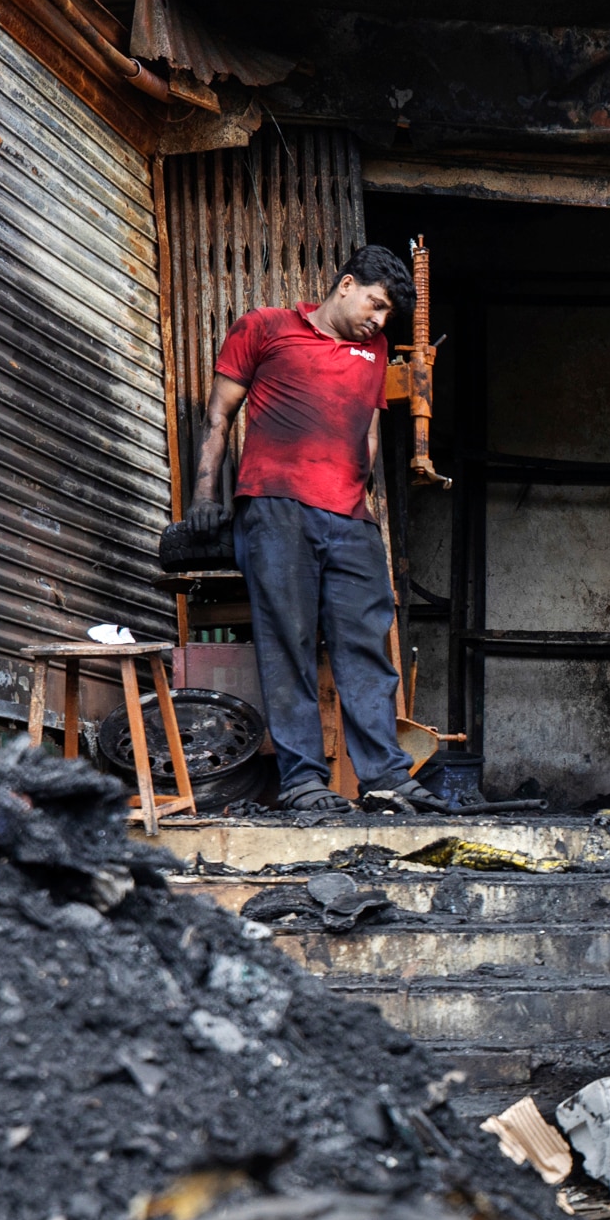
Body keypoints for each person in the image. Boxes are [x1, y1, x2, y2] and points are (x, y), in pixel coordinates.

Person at [178, 244, 440, 814]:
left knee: (367, 647)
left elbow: (368, 432)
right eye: (374, 305)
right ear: (345, 285)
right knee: (288, 643)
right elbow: (219, 414)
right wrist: (204, 495)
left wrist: (361, 497)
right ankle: (303, 781)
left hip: (348, 517)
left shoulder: (374, 349)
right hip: (276, 509)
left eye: (388, 315)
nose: (378, 320)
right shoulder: (265, 328)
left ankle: (386, 779)